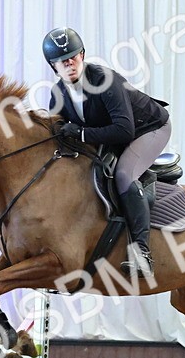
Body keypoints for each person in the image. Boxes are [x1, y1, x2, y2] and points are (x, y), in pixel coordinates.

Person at [44, 27, 171, 277]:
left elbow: (124, 131)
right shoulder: (58, 93)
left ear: (82, 55)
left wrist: (80, 133)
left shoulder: (105, 80)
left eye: (72, 56)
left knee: (124, 175)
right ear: (53, 66)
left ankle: (142, 253)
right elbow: (57, 132)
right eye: (61, 60)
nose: (69, 63)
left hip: (150, 128)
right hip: (116, 132)